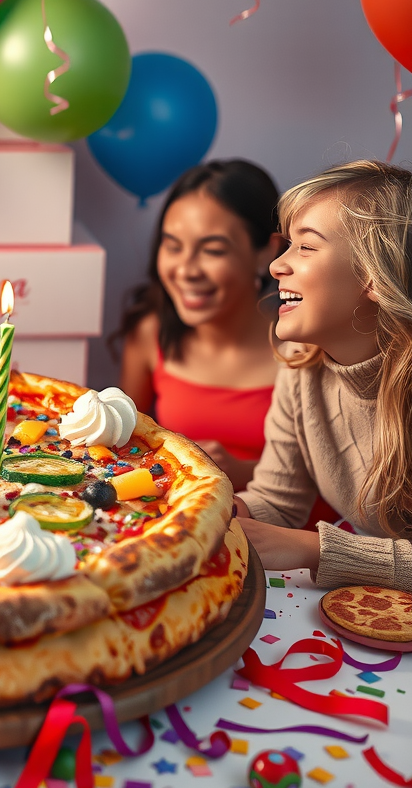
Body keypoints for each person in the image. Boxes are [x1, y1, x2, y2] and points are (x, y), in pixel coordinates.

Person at [236, 160, 412, 589]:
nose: (277, 266)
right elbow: (275, 504)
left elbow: (291, 538)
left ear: (373, 275)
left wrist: (312, 549)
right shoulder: (302, 363)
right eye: (287, 245)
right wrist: (201, 509)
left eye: (306, 247)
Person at [114, 160, 283, 490]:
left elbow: (356, 480)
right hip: (187, 531)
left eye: (213, 250)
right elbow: (120, 449)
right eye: (173, 246)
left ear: (267, 252)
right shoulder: (150, 334)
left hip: (294, 536)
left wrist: (245, 471)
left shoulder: (310, 345)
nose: (186, 269)